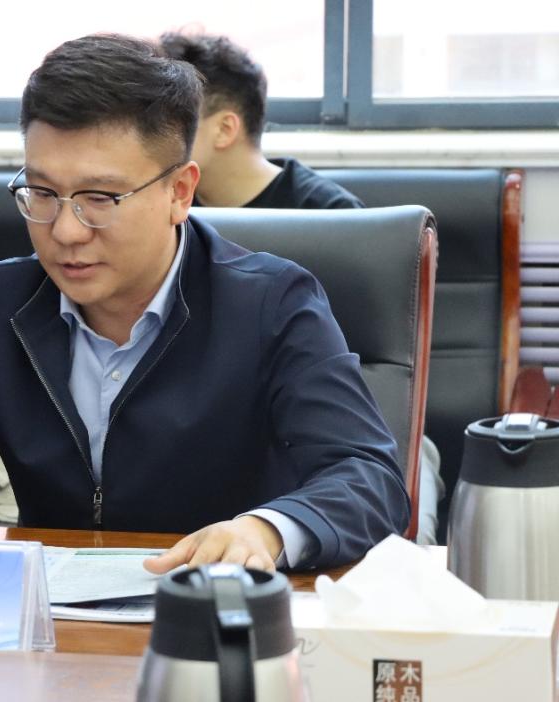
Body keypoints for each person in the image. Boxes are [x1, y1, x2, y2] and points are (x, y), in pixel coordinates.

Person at [0, 33, 409, 571]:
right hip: (56, 618)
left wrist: (265, 532)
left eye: (99, 198)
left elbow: (367, 477)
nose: (65, 231)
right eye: (42, 192)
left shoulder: (272, 303)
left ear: (180, 192)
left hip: (214, 615)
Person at [159, 31, 444, 544]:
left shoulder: (333, 220)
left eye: (170, 120)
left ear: (224, 128)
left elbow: (342, 390)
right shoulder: (166, 216)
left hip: (316, 431)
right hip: (205, 430)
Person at [157, 32, 363, 210]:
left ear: (224, 129)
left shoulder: (332, 212)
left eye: (168, 118)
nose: (153, 132)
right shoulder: (162, 205)